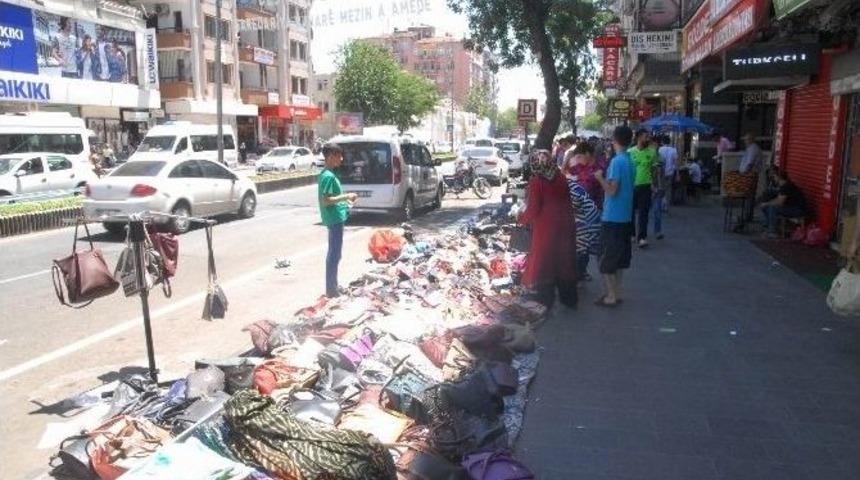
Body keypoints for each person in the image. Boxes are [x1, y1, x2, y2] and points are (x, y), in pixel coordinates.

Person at [518, 150, 577, 309]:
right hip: (565, 224)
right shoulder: (561, 178)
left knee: (544, 262)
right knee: (564, 261)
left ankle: (545, 300)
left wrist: (520, 219)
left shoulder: (537, 181)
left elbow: (533, 209)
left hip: (545, 228)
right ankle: (569, 299)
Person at [593, 126, 635, 307]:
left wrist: (599, 177)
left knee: (605, 257)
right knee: (619, 258)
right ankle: (617, 292)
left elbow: (611, 190)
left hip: (612, 218)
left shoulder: (617, 163)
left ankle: (610, 296)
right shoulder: (630, 161)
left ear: (614, 140)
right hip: (625, 216)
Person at [318, 143, 357, 298]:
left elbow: (332, 199)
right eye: (339, 155)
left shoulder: (328, 174)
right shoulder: (328, 176)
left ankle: (333, 286)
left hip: (336, 217)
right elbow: (326, 201)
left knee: (335, 253)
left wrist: (346, 202)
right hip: (334, 219)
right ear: (331, 156)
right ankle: (331, 290)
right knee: (334, 254)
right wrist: (346, 196)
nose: (341, 159)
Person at [628, 129, 659, 247]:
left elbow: (654, 170)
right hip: (631, 187)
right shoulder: (630, 152)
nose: (648, 139)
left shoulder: (652, 152)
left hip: (646, 186)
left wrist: (655, 185)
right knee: (630, 212)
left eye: (649, 137)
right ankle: (631, 234)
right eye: (646, 136)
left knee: (643, 213)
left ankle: (642, 237)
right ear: (638, 138)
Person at [567, 177, 601, 283]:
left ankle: (578, 276)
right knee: (582, 247)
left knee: (580, 247)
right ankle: (580, 274)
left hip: (587, 219)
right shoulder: (572, 186)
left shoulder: (570, 190)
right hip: (590, 217)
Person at [759, 170, 807, 238]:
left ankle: (772, 232)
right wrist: (766, 204)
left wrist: (767, 204)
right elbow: (778, 199)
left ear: (779, 178)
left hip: (797, 209)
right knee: (766, 207)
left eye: (775, 177)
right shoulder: (784, 186)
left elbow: (779, 202)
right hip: (791, 207)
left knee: (773, 208)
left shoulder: (786, 186)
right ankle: (768, 227)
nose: (774, 179)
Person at [565, 143, 604, 208]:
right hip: (581, 207)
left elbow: (591, 180)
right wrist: (566, 159)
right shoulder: (580, 166)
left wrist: (576, 177)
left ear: (587, 154)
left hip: (596, 207)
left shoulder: (600, 165)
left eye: (579, 157)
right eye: (576, 158)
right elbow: (564, 173)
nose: (577, 160)